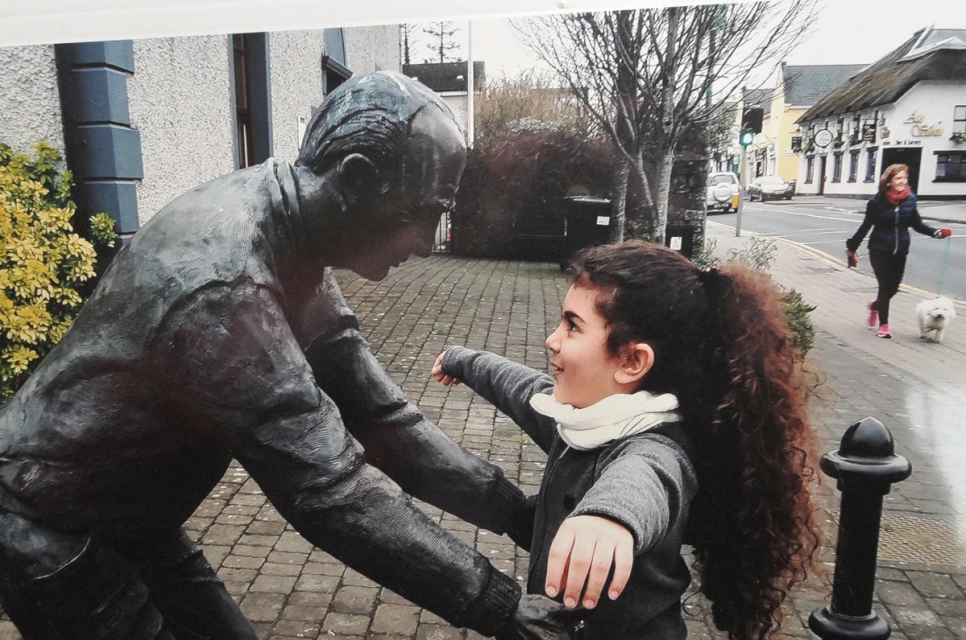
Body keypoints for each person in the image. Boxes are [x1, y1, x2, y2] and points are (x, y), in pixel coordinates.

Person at [0, 71, 571, 639]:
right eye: (419, 213)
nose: (426, 243)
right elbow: (331, 491)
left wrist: (525, 517)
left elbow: (384, 422)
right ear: (356, 179)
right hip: (52, 531)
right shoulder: (224, 290)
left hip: (135, 519)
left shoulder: (292, 238)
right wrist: (498, 606)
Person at [431, 240, 823, 639]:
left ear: (632, 361)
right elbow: (524, 390)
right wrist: (465, 361)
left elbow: (645, 481)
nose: (553, 339)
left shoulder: (655, 446)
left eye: (572, 326)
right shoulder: (591, 415)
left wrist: (609, 517)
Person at [846, 163, 952, 339]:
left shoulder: (910, 199)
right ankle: (884, 326)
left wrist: (936, 232)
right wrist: (852, 248)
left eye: (905, 178)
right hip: (879, 248)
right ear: (889, 182)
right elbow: (865, 227)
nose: (903, 181)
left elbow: (917, 224)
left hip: (900, 249)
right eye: (898, 178)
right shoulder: (876, 202)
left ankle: (875, 306)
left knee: (894, 287)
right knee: (885, 285)